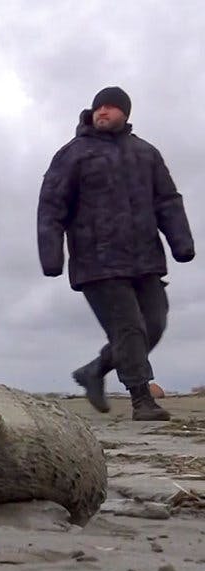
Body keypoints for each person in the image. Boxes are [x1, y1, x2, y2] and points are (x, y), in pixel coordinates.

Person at [38, 86, 195, 421]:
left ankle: (95, 370)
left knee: (154, 324)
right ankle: (142, 399)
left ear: (125, 113)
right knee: (129, 329)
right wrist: (52, 255)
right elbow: (51, 205)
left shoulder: (146, 153)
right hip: (98, 261)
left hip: (145, 259)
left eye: (110, 107)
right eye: (98, 108)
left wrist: (181, 242)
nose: (102, 112)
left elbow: (167, 200)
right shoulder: (73, 154)